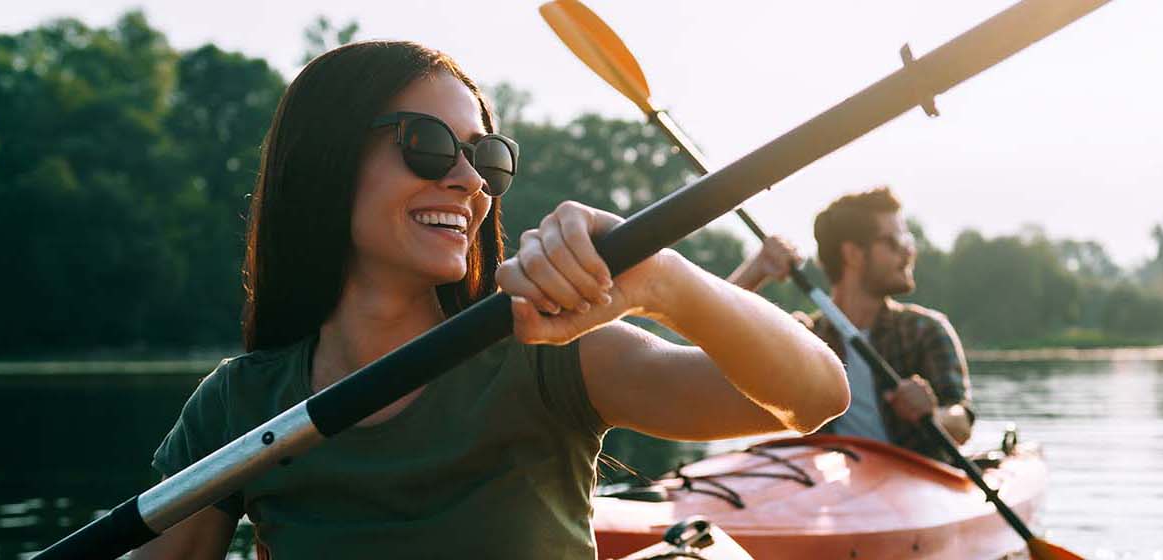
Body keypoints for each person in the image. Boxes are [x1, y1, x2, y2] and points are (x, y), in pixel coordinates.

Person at [132, 41, 848, 559]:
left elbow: (815, 394)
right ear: (325, 160)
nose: (470, 183)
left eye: (486, 157)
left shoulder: (548, 354)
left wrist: (662, 280)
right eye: (430, 146)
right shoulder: (241, 408)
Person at [727, 187, 974, 462]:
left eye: (908, 239)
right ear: (853, 254)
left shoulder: (926, 330)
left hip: (919, 485)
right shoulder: (805, 338)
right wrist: (757, 269)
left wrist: (933, 413)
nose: (908, 253)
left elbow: (962, 424)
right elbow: (714, 334)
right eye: (894, 242)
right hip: (836, 491)